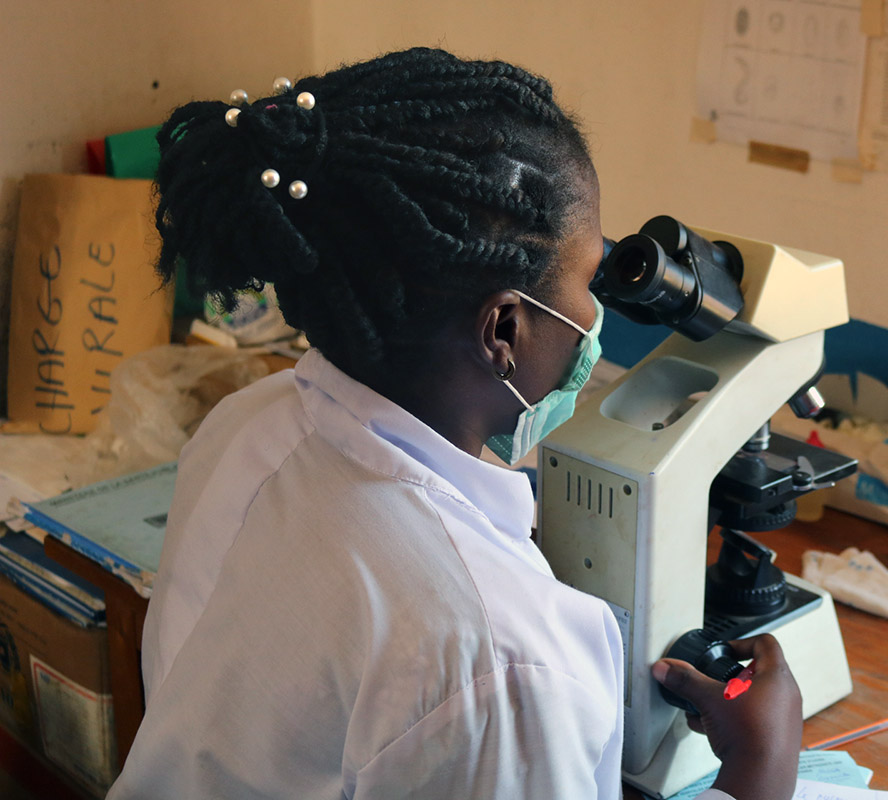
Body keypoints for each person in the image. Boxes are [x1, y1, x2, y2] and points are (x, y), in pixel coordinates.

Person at [106, 48, 804, 800]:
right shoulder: (501, 660)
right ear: (503, 330)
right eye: (585, 274)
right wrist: (757, 776)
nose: (593, 316)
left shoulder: (245, 427)